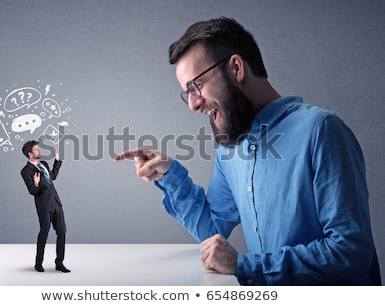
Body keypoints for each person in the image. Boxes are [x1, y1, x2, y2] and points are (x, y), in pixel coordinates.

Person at [114, 17, 381, 285]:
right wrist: (169, 175)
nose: (193, 105)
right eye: (187, 93)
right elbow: (213, 229)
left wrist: (246, 265)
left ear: (237, 68)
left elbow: (351, 249)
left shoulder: (322, 130)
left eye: (196, 85)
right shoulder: (231, 149)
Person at [21, 140, 70, 273]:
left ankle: (59, 263)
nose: (39, 151)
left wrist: (57, 160)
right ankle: (38, 263)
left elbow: (52, 177)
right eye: (36, 150)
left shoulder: (44, 164)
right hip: (44, 206)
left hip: (56, 202)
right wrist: (36, 184)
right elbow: (32, 191)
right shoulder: (26, 171)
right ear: (30, 154)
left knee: (62, 231)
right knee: (44, 232)